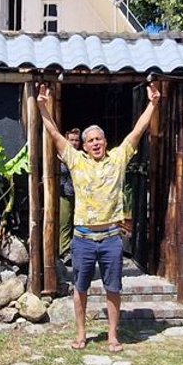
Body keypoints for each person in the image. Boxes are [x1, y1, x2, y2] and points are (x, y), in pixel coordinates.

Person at [38, 82, 160, 351]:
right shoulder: (76, 161)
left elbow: (137, 132)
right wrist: (43, 107)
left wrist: (152, 104)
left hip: (111, 240)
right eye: (91, 140)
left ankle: (113, 335)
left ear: (105, 142)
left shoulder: (117, 159)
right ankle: (81, 334)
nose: (95, 143)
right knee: (80, 288)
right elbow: (54, 134)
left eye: (99, 139)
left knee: (113, 288)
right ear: (84, 146)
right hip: (82, 239)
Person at [57, 126, 81, 259]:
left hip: (79, 195)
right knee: (65, 223)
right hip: (64, 194)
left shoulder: (81, 156)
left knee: (78, 223)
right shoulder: (59, 155)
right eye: (72, 140)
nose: (74, 143)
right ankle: (65, 251)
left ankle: (77, 250)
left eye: (77, 140)